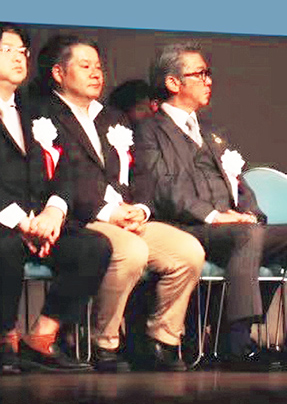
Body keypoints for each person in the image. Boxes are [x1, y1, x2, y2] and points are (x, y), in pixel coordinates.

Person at [132, 43, 287, 372]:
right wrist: (215, 216)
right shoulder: (149, 131)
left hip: (232, 228)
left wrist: (251, 213)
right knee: (247, 235)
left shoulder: (212, 134)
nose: (208, 80)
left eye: (208, 73)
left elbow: (238, 183)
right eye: (199, 74)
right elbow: (162, 189)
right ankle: (237, 342)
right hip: (189, 228)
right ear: (173, 83)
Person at [0, 23, 111, 373]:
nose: (18, 57)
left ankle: (41, 337)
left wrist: (53, 213)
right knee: (4, 246)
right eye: (6, 50)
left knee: (94, 247)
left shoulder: (34, 107)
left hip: (36, 219)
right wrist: (20, 222)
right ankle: (4, 339)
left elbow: (65, 168)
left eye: (23, 51)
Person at [34, 35, 204, 372]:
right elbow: (60, 176)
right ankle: (105, 341)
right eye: (85, 66)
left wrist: (140, 208)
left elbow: (140, 172)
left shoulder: (113, 117)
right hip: (81, 218)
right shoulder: (42, 116)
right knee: (130, 251)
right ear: (58, 73)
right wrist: (108, 212)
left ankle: (161, 340)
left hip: (127, 216)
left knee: (188, 252)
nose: (96, 73)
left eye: (98, 66)